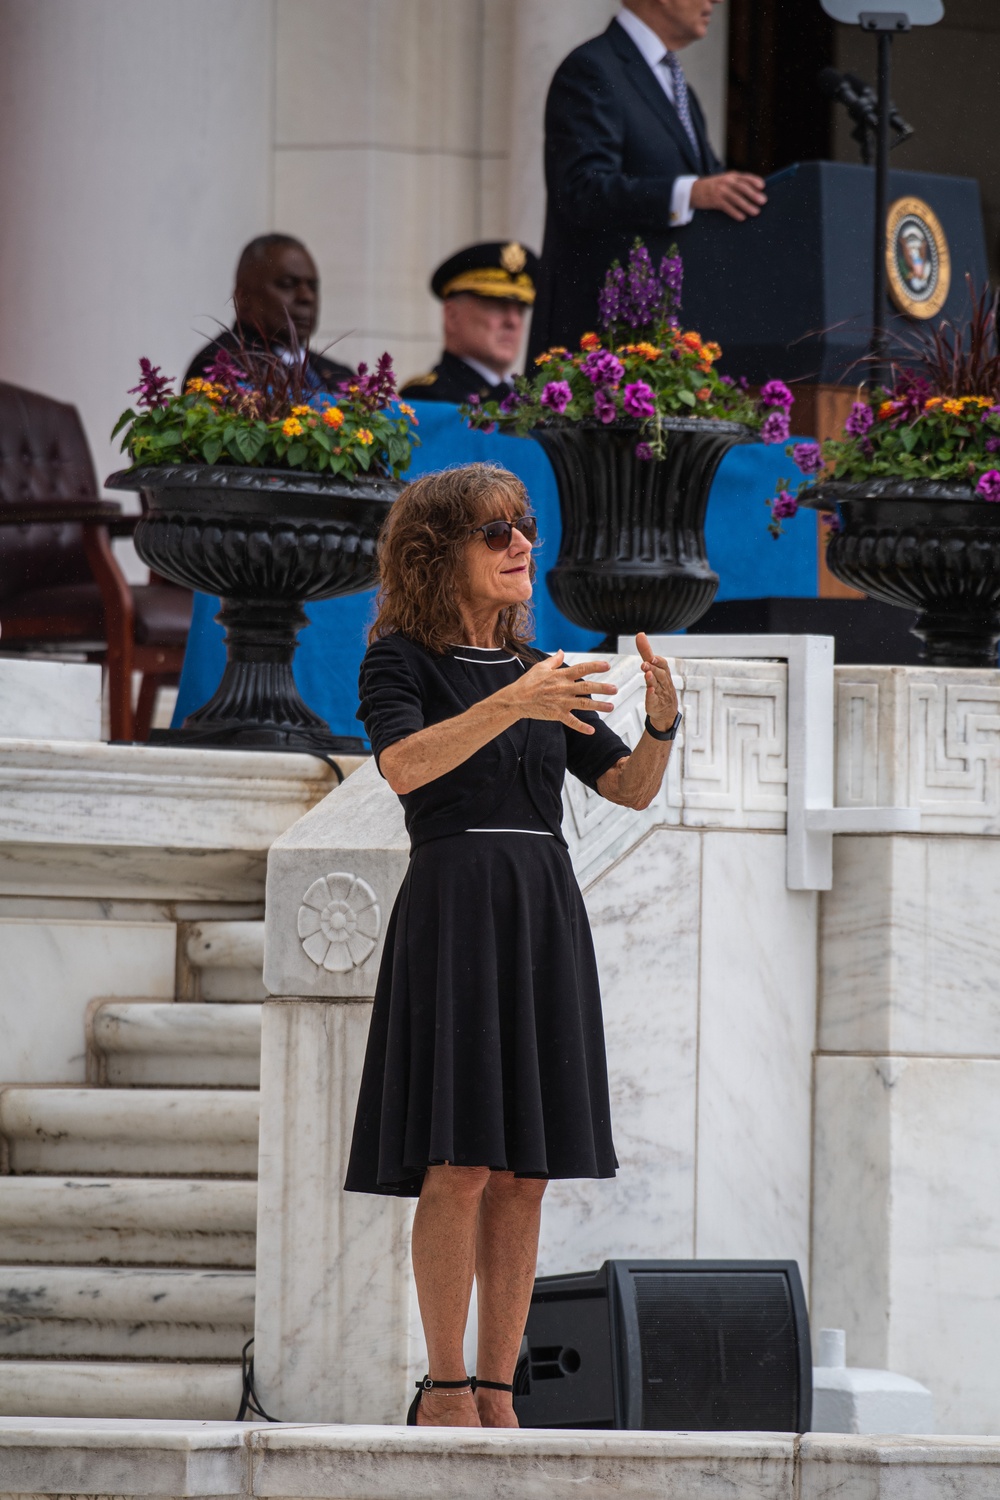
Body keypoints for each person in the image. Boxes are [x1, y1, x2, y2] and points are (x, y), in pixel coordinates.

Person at [344, 463, 681, 1429]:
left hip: (541, 903)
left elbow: (630, 789)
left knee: (526, 1167)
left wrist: (661, 718)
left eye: (525, 527)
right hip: (455, 901)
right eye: (497, 532)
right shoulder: (400, 659)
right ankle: (445, 1388)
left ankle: (500, 1389)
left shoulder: (545, 674)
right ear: (438, 551)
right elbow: (406, 767)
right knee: (460, 1161)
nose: (522, 545)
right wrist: (511, 704)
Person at [529, 0, 768, 358]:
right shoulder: (592, 68)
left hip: (666, 343)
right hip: (599, 347)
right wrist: (689, 194)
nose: (716, 2)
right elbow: (582, 189)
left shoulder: (677, 86)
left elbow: (712, 185)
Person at [183, 234, 353, 393]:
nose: (306, 297)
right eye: (287, 284)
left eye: (312, 287)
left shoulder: (340, 375)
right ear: (243, 297)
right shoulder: (221, 365)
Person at [399, 242, 539, 405]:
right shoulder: (425, 397)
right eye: (498, 306)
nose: (513, 321)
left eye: (521, 311)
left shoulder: (529, 399)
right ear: (452, 316)